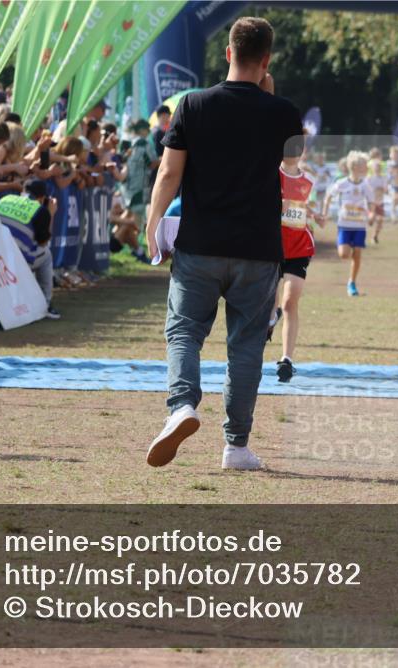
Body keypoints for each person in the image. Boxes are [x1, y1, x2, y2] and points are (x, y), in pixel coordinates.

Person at [144, 16, 303, 471]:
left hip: (200, 243)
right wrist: (269, 99)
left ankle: (181, 406)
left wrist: (154, 222)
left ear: (227, 52)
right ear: (266, 60)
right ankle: (236, 446)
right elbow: (292, 171)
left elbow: (169, 173)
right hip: (258, 249)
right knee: (247, 345)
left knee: (184, 331)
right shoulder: (284, 112)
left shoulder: (192, 106)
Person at [271, 153, 323, 383]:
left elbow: (307, 208)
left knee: (290, 302)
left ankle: (286, 360)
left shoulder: (309, 181)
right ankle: (271, 319)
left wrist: (316, 216)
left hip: (299, 248)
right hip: (271, 246)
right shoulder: (270, 175)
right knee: (267, 301)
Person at [0, 180, 62, 319]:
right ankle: (45, 304)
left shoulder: (5, 199)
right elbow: (44, 242)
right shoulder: (40, 210)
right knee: (47, 255)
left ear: (23, 191)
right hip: (16, 261)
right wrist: (50, 214)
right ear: (43, 197)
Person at [323, 150, 375, 296]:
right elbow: (328, 196)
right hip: (344, 225)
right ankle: (348, 247)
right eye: (365, 166)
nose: (366, 168)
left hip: (359, 226)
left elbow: (372, 203)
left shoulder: (366, 185)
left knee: (357, 253)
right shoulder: (342, 183)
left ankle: (352, 282)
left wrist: (371, 214)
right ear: (355, 167)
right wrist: (325, 213)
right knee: (344, 254)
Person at [366, 147, 387, 244]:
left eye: (379, 167)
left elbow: (386, 190)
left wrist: (382, 189)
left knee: (380, 219)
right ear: (373, 169)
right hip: (372, 202)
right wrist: (375, 190)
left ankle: (375, 236)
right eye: (376, 167)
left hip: (380, 201)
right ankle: (369, 220)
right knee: (372, 218)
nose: (377, 169)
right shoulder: (369, 178)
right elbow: (367, 190)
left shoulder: (383, 178)